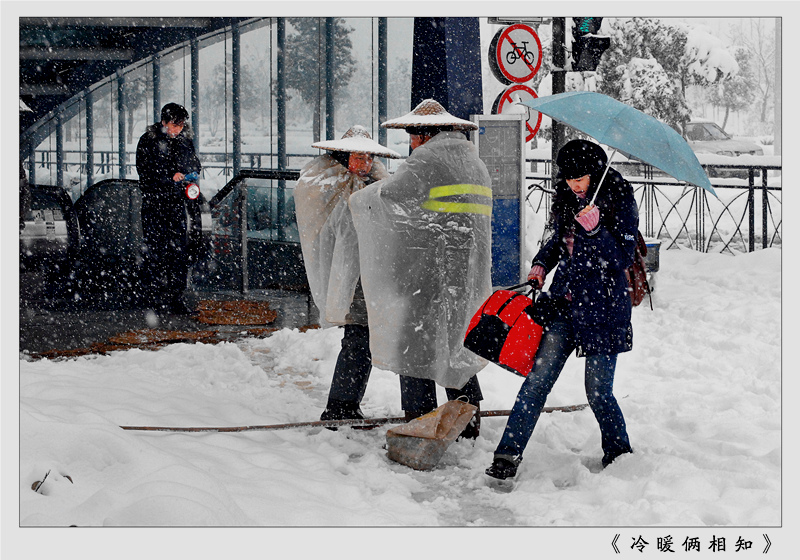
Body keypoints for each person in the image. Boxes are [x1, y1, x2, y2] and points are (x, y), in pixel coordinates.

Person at [485, 139, 638, 484]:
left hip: (603, 310)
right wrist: (541, 264)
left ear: (595, 173)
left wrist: (597, 231)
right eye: (568, 179)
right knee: (537, 381)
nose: (574, 185)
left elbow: (622, 258)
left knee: (598, 392)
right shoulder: (568, 198)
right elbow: (558, 241)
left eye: (580, 179)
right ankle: (507, 455)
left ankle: (619, 454)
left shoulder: (619, 195)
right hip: (565, 305)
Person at [349, 99, 493, 439]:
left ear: (424, 134)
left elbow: (390, 198)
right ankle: (467, 418)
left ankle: (420, 420)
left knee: (415, 342)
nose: (411, 144)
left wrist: (360, 196)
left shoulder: (426, 160)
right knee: (457, 342)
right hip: (465, 275)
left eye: (412, 136)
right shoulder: (475, 163)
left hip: (428, 273)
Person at [295, 126, 401, 423]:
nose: (365, 164)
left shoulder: (376, 180)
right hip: (350, 276)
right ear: (343, 156)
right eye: (358, 157)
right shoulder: (328, 180)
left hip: (371, 272)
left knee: (362, 338)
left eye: (369, 157)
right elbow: (336, 228)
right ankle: (340, 406)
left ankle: (345, 404)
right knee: (358, 336)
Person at [135, 103, 201, 314]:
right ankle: (154, 297)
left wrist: (186, 174)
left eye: (181, 125)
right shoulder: (149, 141)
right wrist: (168, 178)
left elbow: (195, 164)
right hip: (155, 203)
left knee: (178, 251)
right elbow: (145, 174)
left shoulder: (183, 141)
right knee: (156, 251)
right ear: (163, 122)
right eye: (174, 124)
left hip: (175, 204)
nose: (178, 129)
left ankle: (175, 297)